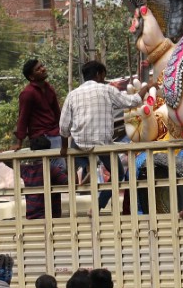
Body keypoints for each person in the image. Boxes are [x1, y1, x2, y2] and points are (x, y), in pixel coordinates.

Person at [59, 60, 141, 207]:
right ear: (98, 74)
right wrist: (146, 88)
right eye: (103, 75)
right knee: (118, 174)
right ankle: (98, 205)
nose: (104, 79)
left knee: (77, 149)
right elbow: (132, 102)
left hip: (79, 143)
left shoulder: (72, 95)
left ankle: (81, 168)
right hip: (102, 144)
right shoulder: (107, 90)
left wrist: (64, 148)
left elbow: (64, 126)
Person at [15, 58, 61, 149]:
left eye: (42, 66)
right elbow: (23, 118)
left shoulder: (50, 89)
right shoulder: (28, 93)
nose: (43, 69)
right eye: (38, 69)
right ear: (31, 77)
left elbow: (57, 113)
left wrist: (63, 132)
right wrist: (19, 143)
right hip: (40, 138)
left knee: (61, 162)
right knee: (59, 163)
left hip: (56, 135)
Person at [20, 135, 67, 219]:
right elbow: (71, 183)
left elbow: (8, 163)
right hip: (51, 218)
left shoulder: (26, 170)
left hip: (32, 218)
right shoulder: (52, 169)